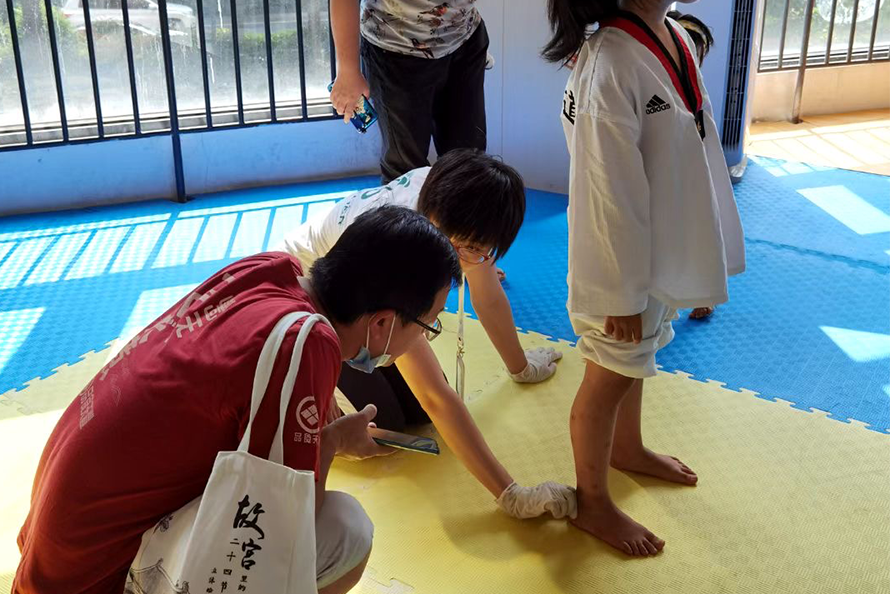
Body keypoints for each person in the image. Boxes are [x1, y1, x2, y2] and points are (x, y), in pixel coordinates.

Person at [13, 207, 462, 594]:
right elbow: (283, 527)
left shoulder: (268, 271)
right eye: (429, 324)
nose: (425, 337)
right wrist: (331, 444)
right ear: (382, 323)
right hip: (94, 580)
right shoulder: (304, 342)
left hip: (56, 555)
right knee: (345, 531)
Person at [543, 0, 745, 556]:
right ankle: (592, 502)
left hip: (657, 241)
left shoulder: (674, 34)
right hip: (615, 257)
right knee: (607, 373)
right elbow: (607, 191)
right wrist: (619, 291)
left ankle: (626, 448)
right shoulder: (610, 61)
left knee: (638, 356)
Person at [279, 149, 574, 519]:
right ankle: (318, 399)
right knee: (383, 424)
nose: (470, 257)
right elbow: (435, 394)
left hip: (363, 303)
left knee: (421, 413)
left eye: (478, 250)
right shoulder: (399, 253)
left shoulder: (449, 199)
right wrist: (510, 494)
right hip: (317, 310)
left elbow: (486, 291)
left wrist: (522, 367)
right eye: (461, 246)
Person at [329, 0, 489, 183]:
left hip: (465, 36)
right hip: (396, 50)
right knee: (405, 175)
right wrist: (348, 70)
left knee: (469, 163)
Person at [668, 9, 717, 320]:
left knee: (702, 232)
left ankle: (706, 293)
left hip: (694, 171)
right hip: (670, 171)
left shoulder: (696, 89)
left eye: (700, 54)